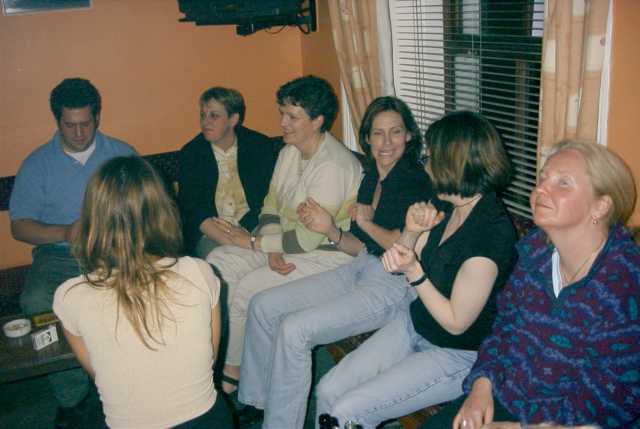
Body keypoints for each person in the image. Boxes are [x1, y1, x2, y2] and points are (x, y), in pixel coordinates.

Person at [237, 96, 434, 429]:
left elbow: (401, 249)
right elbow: (361, 248)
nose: (386, 142)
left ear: (409, 135)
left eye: (396, 132)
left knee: (295, 331)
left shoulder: (414, 181)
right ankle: (258, 401)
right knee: (263, 305)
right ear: (367, 138)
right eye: (378, 133)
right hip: (359, 266)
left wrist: (366, 222)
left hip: (393, 285)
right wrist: (330, 229)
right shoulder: (372, 176)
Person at [314, 111, 518, 429]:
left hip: (455, 353)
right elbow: (398, 260)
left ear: (455, 163)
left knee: (347, 413)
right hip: (414, 323)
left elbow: (456, 323)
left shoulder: (491, 234)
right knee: (328, 390)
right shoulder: (449, 203)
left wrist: (415, 273)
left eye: (432, 157)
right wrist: (410, 231)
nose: (426, 164)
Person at [420, 141, 640, 429]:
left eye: (563, 183)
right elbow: (504, 328)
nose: (541, 190)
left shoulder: (624, 284)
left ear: (601, 206)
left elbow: (615, 400)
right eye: (542, 178)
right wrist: (481, 387)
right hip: (508, 397)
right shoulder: (534, 252)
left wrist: (520, 428)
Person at [206, 75, 362, 393]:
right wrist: (270, 247)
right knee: (218, 263)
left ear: (317, 121)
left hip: (324, 257)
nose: (282, 123)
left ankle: (234, 375)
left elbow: (308, 239)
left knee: (248, 292)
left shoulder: (333, 166)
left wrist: (253, 242)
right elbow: (270, 206)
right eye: (282, 113)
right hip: (285, 244)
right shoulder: (289, 152)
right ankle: (228, 357)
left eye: (292, 116)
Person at [53, 156, 233, 429]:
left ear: (93, 218)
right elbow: (209, 359)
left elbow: (100, 373)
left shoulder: (70, 297)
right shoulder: (199, 272)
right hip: (208, 422)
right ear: (162, 211)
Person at [8, 77, 136, 427]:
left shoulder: (122, 155)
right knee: (36, 300)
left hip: (114, 249)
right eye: (70, 125)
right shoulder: (37, 163)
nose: (79, 133)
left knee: (135, 293)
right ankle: (73, 397)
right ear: (57, 120)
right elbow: (19, 226)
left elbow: (145, 209)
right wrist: (65, 232)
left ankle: (127, 381)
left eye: (86, 123)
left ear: (97, 117)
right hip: (58, 254)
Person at [178, 86, 276, 257]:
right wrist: (234, 242)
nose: (205, 122)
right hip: (213, 233)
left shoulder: (259, 145)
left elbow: (269, 198)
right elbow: (193, 211)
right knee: (223, 259)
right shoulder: (191, 154)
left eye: (214, 116)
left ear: (233, 119)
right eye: (203, 115)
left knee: (277, 250)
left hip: (255, 225)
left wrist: (249, 237)